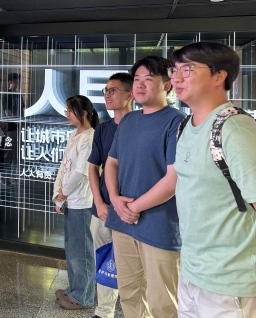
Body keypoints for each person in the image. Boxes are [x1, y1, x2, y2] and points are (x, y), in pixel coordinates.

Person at [171, 42, 256, 317]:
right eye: (174, 70)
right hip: (193, 273)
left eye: (187, 69)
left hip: (236, 282)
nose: (176, 78)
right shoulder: (186, 125)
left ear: (219, 76)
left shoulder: (235, 129)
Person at [104, 56, 185, 318]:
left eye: (148, 79)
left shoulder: (177, 122)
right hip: (123, 221)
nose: (139, 85)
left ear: (167, 85)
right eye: (137, 79)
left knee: (163, 301)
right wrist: (115, 199)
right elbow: (111, 163)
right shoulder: (129, 120)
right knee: (129, 293)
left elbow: (173, 180)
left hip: (159, 225)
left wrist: (133, 207)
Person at [86, 72, 133, 318]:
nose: (107, 94)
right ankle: (103, 311)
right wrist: (99, 202)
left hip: (133, 211)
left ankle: (135, 311)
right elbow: (93, 167)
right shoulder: (103, 129)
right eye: (105, 90)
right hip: (102, 209)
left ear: (130, 94)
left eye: (113, 90)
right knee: (104, 261)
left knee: (132, 266)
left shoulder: (140, 126)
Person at [53, 95, 99, 310]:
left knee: (82, 252)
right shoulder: (75, 135)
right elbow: (64, 168)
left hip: (82, 201)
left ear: (83, 113)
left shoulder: (90, 137)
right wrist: (58, 194)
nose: (67, 115)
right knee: (73, 250)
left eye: (70, 111)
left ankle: (83, 296)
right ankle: (74, 289)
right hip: (70, 199)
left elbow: (81, 172)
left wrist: (64, 193)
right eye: (67, 111)